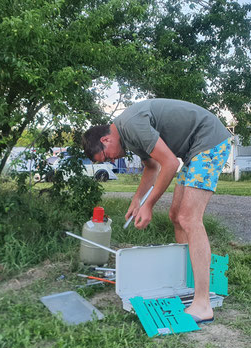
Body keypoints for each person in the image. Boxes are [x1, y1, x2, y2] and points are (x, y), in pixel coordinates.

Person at [82, 98, 231, 323]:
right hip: (194, 151)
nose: (111, 160)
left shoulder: (132, 125)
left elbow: (170, 164)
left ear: (106, 139)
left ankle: (203, 304)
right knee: (176, 216)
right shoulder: (126, 136)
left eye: (106, 156)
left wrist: (149, 205)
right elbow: (152, 167)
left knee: (189, 218)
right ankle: (188, 281)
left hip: (209, 140)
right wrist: (137, 199)